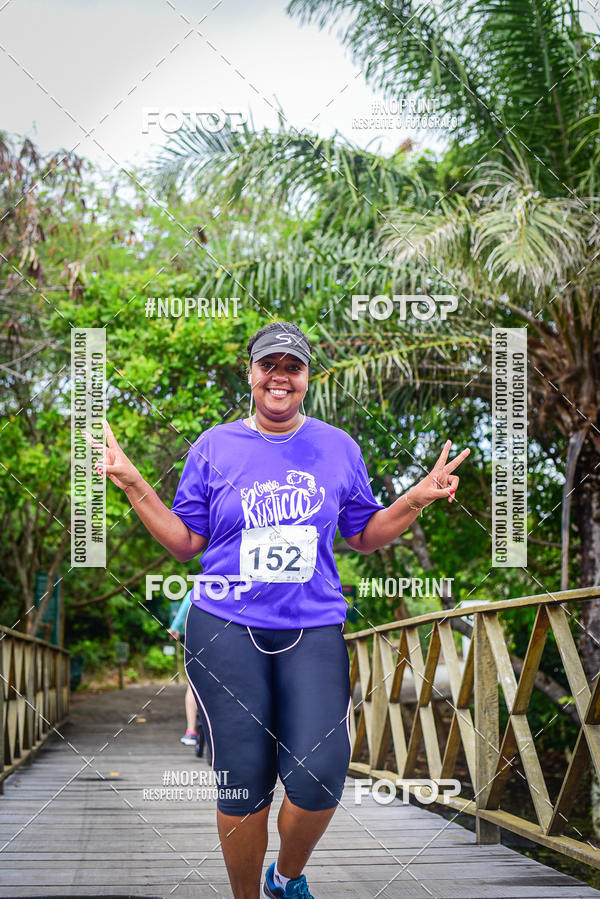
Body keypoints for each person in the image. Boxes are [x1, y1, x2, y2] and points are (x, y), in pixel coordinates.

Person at [88, 321, 469, 899]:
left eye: (292, 367)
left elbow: (364, 534)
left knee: (320, 775)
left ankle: (285, 877)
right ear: (251, 372)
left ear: (307, 378)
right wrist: (135, 483)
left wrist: (415, 498)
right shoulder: (214, 446)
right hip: (225, 629)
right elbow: (188, 542)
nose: (279, 377)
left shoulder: (338, 447)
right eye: (270, 365)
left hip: (311, 625)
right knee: (243, 780)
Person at [166, 589, 197, 745]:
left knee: (194, 685)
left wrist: (173, 629)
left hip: (196, 641)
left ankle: (191, 732)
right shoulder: (234, 588)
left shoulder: (198, 589)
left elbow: (184, 611)